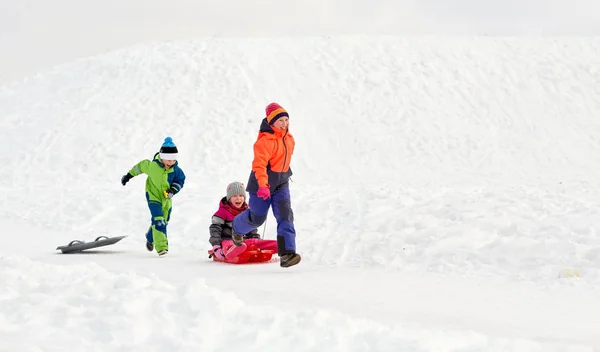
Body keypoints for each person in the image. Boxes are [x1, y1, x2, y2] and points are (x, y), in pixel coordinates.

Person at [231, 102, 301, 268]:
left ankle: (287, 253)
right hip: (261, 184)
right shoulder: (264, 142)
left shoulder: (289, 139)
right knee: (257, 218)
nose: (284, 124)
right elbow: (259, 165)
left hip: (281, 183)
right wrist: (263, 185)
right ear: (271, 122)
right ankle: (237, 227)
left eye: (286, 120)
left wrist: (283, 176)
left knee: (285, 216)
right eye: (280, 121)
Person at [120, 136, 186, 256]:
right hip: (153, 196)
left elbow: (180, 180)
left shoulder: (176, 170)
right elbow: (139, 167)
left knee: (164, 220)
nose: (171, 163)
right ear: (162, 158)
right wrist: (128, 176)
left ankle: (150, 237)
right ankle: (162, 247)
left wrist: (173, 190)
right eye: (168, 160)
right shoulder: (152, 166)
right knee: (158, 220)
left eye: (173, 160)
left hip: (166, 199)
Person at [209, 181, 277, 262]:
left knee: (256, 242)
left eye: (241, 195)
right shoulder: (222, 212)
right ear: (229, 198)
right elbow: (215, 229)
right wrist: (216, 246)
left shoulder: (246, 212)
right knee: (230, 245)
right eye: (234, 196)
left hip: (244, 241)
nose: (238, 198)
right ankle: (230, 252)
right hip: (227, 241)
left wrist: (256, 242)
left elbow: (251, 229)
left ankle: (281, 246)